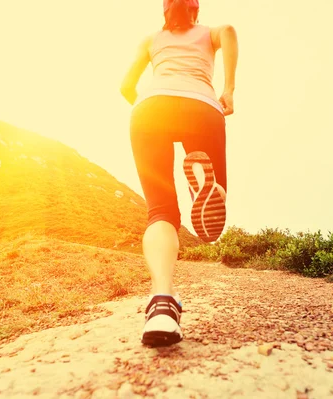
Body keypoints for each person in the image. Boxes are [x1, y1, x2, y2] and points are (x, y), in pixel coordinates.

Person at [120, 0, 238, 347]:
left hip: (150, 108)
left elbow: (126, 86)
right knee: (219, 192)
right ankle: (202, 181)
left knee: (160, 212)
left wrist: (152, 106)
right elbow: (229, 32)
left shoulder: (151, 40)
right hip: (200, 106)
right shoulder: (208, 32)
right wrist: (228, 89)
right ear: (195, 10)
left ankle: (161, 303)